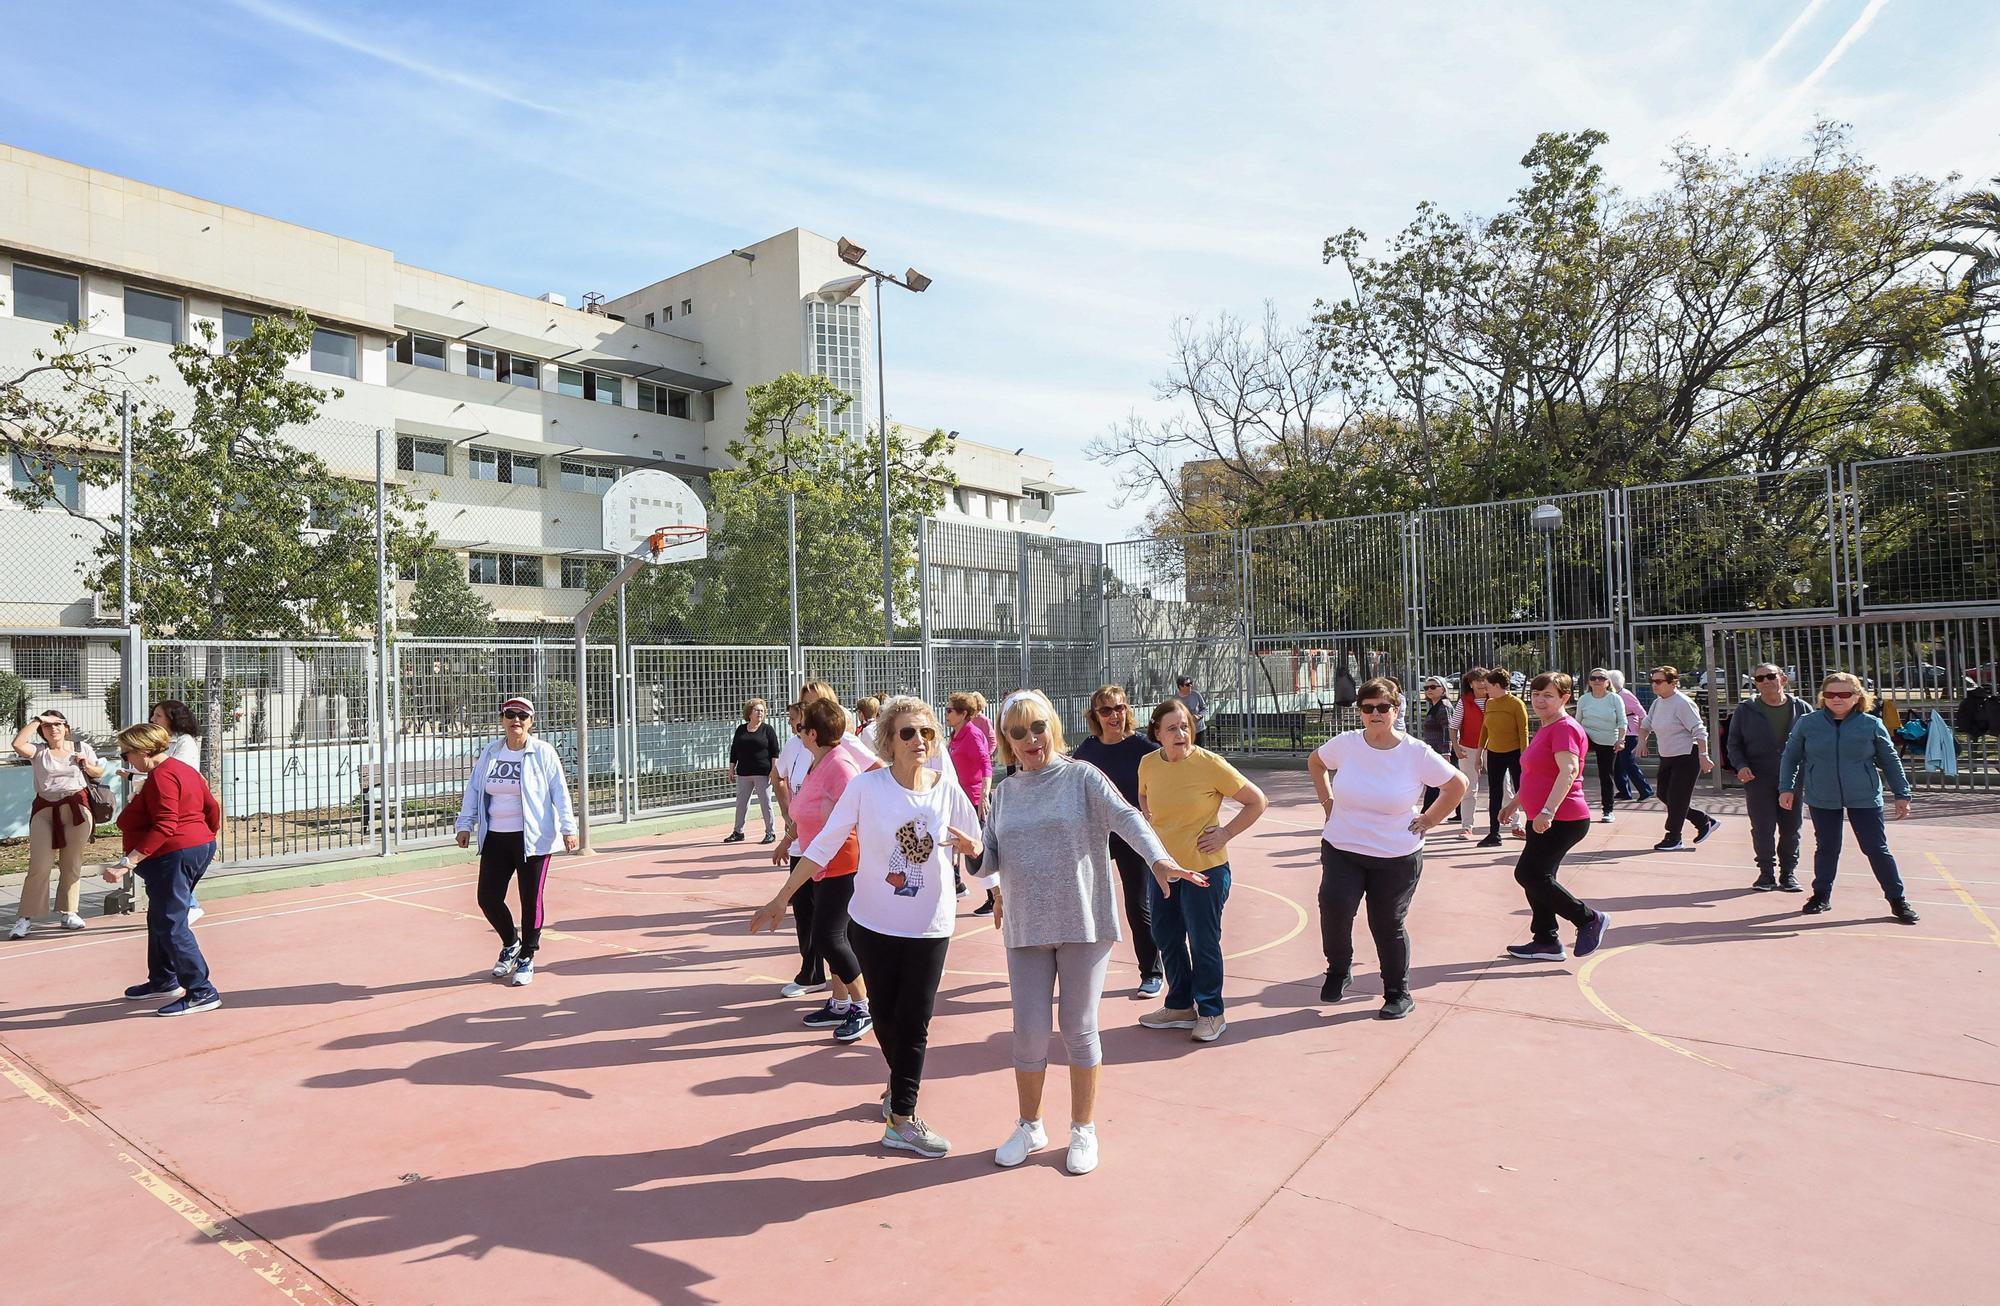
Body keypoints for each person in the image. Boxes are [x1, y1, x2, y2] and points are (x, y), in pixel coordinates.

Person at [980, 690, 1200, 1175]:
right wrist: (971, 852)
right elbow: (990, 856)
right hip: (1027, 928)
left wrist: (1158, 857)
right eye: (1017, 732)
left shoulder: (1081, 776)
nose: (1030, 739)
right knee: (1030, 1034)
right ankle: (1029, 1125)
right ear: (1007, 742)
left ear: (1052, 727)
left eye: (1037, 727)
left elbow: (1127, 817)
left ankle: (1083, 1129)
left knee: (1079, 1030)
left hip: (1082, 921)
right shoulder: (1004, 793)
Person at [755, 695, 983, 1159]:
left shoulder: (945, 788)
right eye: (907, 733)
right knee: (884, 1015)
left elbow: (977, 841)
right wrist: (782, 896)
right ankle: (900, 1089)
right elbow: (822, 844)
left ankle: (901, 1116)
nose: (919, 740)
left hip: (930, 927)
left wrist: (981, 863)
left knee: (915, 1022)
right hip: (874, 923)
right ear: (889, 741)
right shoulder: (867, 788)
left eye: (926, 733)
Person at [1308, 678, 1466, 1019]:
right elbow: (1316, 762)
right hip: (1342, 846)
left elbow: (1457, 784)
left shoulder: (1414, 752)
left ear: (1396, 710)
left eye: (1382, 707)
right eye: (1368, 708)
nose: (1375, 713)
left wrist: (1429, 819)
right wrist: (1327, 800)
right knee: (1334, 907)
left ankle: (1397, 992)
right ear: (1360, 712)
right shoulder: (1347, 744)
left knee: (1386, 922)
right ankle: (1339, 970)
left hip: (1395, 855)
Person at [1136, 697, 1269, 1044]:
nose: (1180, 733)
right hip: (1166, 870)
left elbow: (1257, 800)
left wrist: (1225, 833)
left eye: (1185, 726)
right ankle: (1180, 1005)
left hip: (1205, 870)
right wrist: (1151, 824)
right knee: (1166, 937)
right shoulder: (1148, 764)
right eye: (1172, 728)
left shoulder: (1210, 764)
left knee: (1202, 941)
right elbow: (1144, 797)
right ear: (1157, 733)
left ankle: (1212, 1011)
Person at [757, 697, 875, 1043]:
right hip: (819, 863)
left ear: (811, 733)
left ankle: (863, 1006)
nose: (795, 731)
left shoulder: (840, 766)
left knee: (829, 936)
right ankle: (840, 1002)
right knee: (827, 935)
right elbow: (805, 811)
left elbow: (858, 812)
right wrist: (787, 839)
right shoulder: (816, 762)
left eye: (799, 726)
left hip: (842, 863)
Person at [453, 696, 578, 987]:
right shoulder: (491, 752)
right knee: (487, 898)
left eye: (522, 715)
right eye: (510, 715)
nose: (516, 720)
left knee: (529, 900)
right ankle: (511, 942)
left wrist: (568, 828)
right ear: (502, 719)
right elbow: (474, 789)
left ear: (531, 722)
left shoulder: (543, 753)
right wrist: (465, 824)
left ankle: (527, 956)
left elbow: (560, 791)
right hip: (496, 836)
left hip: (533, 840)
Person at [1778, 673, 1919, 923]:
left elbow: (1890, 760)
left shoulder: (1870, 724)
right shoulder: (1807, 723)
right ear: (1823, 697)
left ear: (1857, 697)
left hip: (1864, 796)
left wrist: (1902, 794)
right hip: (1822, 795)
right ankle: (1821, 895)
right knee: (1827, 847)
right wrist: (1786, 787)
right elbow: (1791, 757)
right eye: (1831, 694)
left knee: (1876, 848)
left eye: (1844, 694)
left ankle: (1897, 900)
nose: (1837, 699)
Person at [103, 724, 221, 1015]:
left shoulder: (162, 777)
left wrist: (127, 862)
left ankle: (201, 991)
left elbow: (166, 824)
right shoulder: (181, 770)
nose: (126, 759)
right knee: (161, 916)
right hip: (192, 847)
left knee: (171, 923)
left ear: (143, 750)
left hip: (174, 854)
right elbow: (211, 807)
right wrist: (204, 838)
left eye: (127, 753)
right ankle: (163, 980)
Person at [1500, 673, 1611, 963]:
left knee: (1529, 874)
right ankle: (1546, 940)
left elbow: (1569, 770)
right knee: (1539, 877)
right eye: (1536, 694)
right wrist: (1515, 803)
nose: (1539, 700)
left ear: (1565, 698)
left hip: (1563, 818)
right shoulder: (1547, 727)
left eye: (1548, 695)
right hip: (1543, 816)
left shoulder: (1564, 728)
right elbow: (1537, 774)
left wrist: (1548, 811)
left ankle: (1588, 919)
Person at [1072, 684, 1164, 997]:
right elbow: (1072, 788)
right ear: (1095, 716)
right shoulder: (1087, 751)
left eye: (1120, 707)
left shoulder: (1144, 748)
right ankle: (1082, 973)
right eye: (1106, 710)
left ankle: (1151, 972)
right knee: (1086, 902)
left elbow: (1166, 781)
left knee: (1138, 904)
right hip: (1097, 833)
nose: (1115, 715)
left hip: (1130, 834)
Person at [10, 711, 105, 938]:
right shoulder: (38, 751)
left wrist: (86, 765)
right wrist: (36, 720)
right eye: (47, 726)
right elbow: (17, 744)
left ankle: (69, 912)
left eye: (58, 724)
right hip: (45, 810)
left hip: (76, 809)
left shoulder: (81, 748)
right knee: (40, 865)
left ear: (66, 727)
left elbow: (98, 772)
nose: (53, 729)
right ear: (41, 730)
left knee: (71, 862)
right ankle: (25, 918)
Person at [120, 700, 209, 922]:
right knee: (166, 909)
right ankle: (181, 911)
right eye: (153, 715)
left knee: (171, 923)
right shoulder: (162, 751)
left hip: (180, 832)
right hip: (175, 840)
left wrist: (129, 861)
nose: (153, 719)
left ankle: (188, 908)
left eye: (158, 716)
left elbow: (171, 773)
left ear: (172, 718)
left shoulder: (182, 745)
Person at [1726, 664, 1811, 892]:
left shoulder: (1802, 708)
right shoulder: (1745, 710)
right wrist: (1741, 766)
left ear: (1783, 679)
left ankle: (1788, 873)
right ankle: (1766, 873)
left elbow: (1814, 741)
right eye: (1759, 678)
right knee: (1762, 827)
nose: (1765, 681)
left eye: (1770, 676)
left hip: (1793, 778)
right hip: (1758, 776)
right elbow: (1733, 744)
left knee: (1791, 827)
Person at [768, 701, 826, 998]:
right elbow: (776, 777)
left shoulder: (837, 752)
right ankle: (812, 972)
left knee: (833, 919)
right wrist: (789, 824)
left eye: (796, 719)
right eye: (791, 720)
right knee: (804, 910)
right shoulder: (794, 746)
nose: (792, 724)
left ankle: (852, 990)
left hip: (832, 847)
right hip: (803, 844)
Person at [1636, 666, 1716, 851]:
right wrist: (1642, 741)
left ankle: (1674, 838)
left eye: (1658, 681)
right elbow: (1646, 725)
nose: (1654, 685)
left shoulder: (1683, 703)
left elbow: (1699, 730)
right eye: (1652, 681)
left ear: (1673, 683)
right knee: (1664, 795)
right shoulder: (1658, 703)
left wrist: (1704, 755)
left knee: (1678, 798)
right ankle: (1704, 821)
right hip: (1667, 757)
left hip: (1687, 756)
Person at [945, 691, 996, 912]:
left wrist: (985, 794)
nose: (946, 714)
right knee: (952, 841)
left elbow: (986, 764)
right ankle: (956, 884)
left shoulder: (973, 734)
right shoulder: (956, 735)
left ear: (963, 713)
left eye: (949, 711)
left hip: (975, 800)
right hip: (959, 797)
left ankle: (995, 897)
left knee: (978, 848)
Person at [1476, 667, 1528, 847]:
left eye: (1488, 685)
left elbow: (1524, 732)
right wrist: (1480, 752)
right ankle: (1494, 833)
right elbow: (1485, 729)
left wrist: (1524, 756)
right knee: (1495, 794)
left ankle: (1534, 828)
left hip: (1515, 754)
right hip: (1495, 753)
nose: (1485, 689)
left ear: (1497, 685)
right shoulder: (1489, 703)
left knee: (1524, 791)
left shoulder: (1516, 704)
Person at [724, 698, 780, 845]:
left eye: (762, 711)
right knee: (741, 803)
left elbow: (775, 752)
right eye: (757, 710)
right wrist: (731, 768)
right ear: (749, 712)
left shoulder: (768, 730)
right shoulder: (741, 729)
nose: (760, 713)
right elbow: (734, 750)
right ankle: (738, 832)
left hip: (762, 772)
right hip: (744, 772)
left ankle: (770, 832)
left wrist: (773, 771)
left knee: (765, 802)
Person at [1576, 669, 1625, 823]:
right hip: (1587, 736)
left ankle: (1608, 810)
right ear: (1589, 682)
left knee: (1605, 775)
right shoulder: (1584, 699)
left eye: (1601, 678)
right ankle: (1573, 805)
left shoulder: (1615, 699)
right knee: (1571, 769)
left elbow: (1622, 721)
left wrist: (1621, 740)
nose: (1597, 681)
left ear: (1608, 682)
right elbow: (1577, 721)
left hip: (1608, 739)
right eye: (1593, 678)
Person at [1608, 671, 1654, 802]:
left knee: (1628, 763)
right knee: (1618, 765)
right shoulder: (1614, 695)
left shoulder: (1625, 695)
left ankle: (1645, 790)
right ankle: (1624, 791)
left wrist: (1641, 733)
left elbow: (1642, 714)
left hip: (1630, 733)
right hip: (1622, 733)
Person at [1452, 666, 1488, 833]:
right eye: (1477, 681)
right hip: (1468, 748)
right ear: (1471, 683)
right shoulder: (1463, 701)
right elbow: (1453, 726)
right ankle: (1467, 827)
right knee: (1469, 789)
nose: (1481, 684)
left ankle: (1516, 824)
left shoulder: (1495, 699)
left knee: (1505, 786)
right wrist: (1456, 747)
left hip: (1493, 748)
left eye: (1484, 680)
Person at [1416, 677, 1455, 812]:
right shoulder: (1436, 706)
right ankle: (1459, 811)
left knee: (1435, 782)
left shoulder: (1443, 705)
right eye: (1426, 688)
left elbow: (1447, 729)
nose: (1429, 690)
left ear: (1443, 689)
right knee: (1440, 781)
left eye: (1433, 687)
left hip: (1442, 751)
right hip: (1436, 750)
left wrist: (1446, 752)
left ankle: (1426, 812)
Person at [1175, 675, 1208, 747]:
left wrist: (1199, 716)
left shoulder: (1196, 694)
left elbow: (1205, 708)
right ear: (1180, 686)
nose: (1190, 686)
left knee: (1199, 752)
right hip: (1184, 731)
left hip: (1198, 730)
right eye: (1187, 685)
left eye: (1191, 683)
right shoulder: (1175, 699)